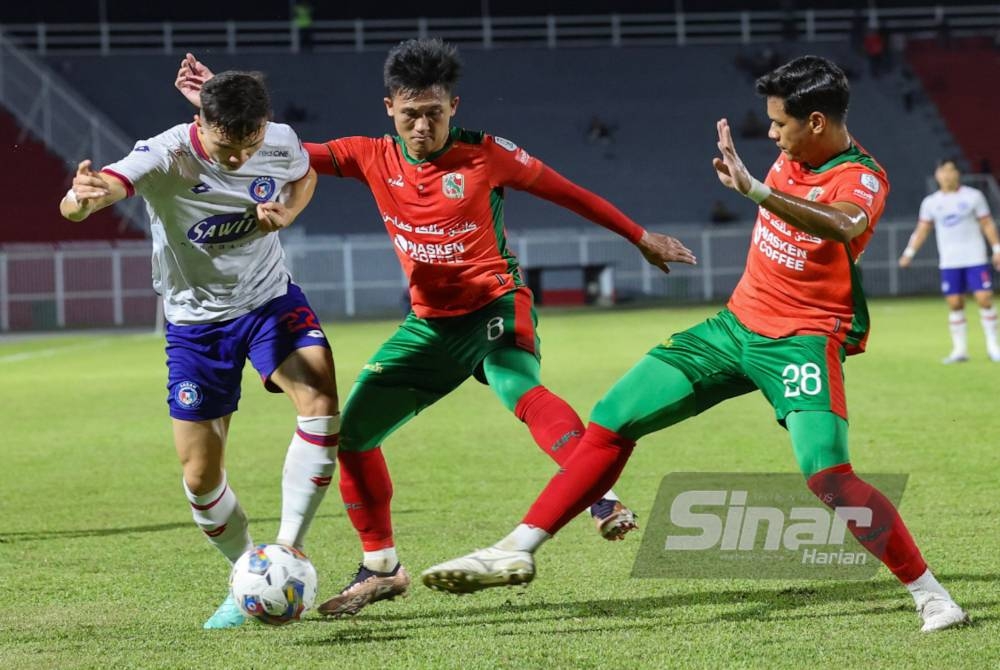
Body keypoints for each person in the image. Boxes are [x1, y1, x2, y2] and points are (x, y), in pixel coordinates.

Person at [422, 55, 970, 634]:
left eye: (780, 123)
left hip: (800, 341)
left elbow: (843, 224)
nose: (772, 134)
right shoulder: (792, 155)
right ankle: (517, 546)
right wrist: (755, 184)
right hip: (733, 327)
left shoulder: (862, 175)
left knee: (828, 476)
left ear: (815, 122)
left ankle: (931, 595)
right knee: (612, 416)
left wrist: (756, 189)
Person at [175, 41, 696, 618]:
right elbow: (277, 147)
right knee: (353, 435)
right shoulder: (370, 157)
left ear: (454, 107)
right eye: (410, 115)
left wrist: (639, 236)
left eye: (434, 114)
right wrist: (219, 103)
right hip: (429, 325)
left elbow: (567, 191)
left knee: (517, 387)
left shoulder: (488, 154)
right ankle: (381, 567)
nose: (422, 126)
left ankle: (599, 494)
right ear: (389, 109)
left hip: (495, 303)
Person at [61, 71, 339, 630]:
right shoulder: (165, 155)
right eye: (224, 148)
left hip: (269, 301)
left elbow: (304, 174)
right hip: (196, 325)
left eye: (248, 146)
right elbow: (108, 186)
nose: (237, 160)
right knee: (199, 476)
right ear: (199, 125)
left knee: (321, 400)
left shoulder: (278, 139)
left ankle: (287, 550)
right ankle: (247, 575)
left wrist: (288, 210)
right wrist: (81, 200)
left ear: (263, 127)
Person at [898, 158, 1000, 363]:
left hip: (975, 257)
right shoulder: (931, 202)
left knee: (984, 298)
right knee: (955, 303)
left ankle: (993, 347)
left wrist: (997, 248)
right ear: (937, 175)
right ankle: (960, 350)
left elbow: (987, 223)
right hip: (949, 260)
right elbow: (922, 230)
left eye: (951, 170)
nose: (947, 175)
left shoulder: (974, 196)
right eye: (943, 171)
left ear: (958, 174)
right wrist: (909, 253)